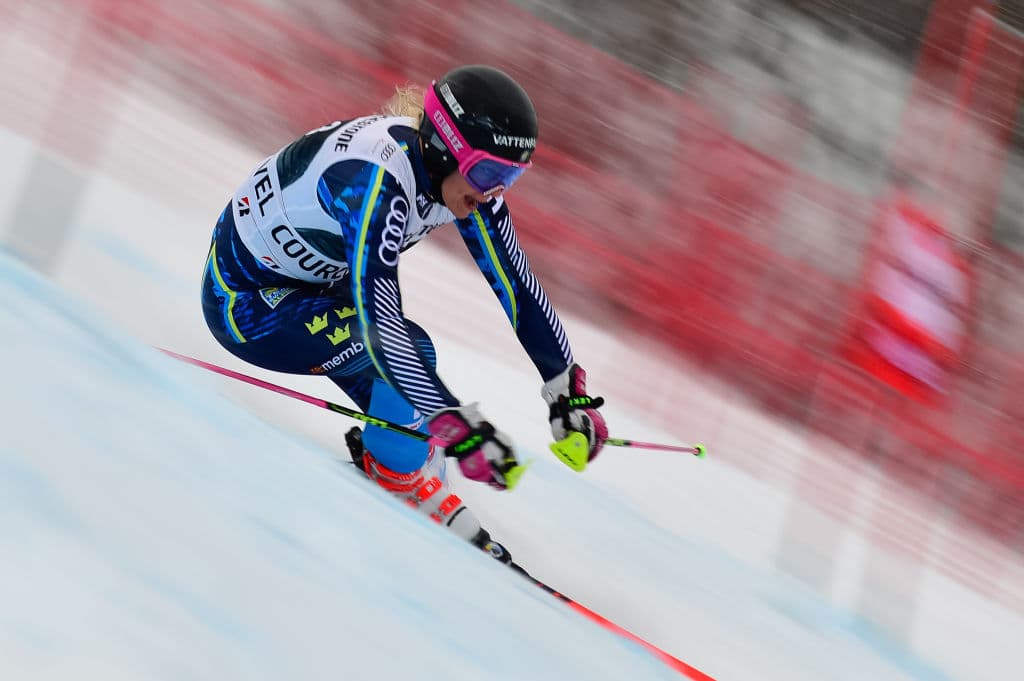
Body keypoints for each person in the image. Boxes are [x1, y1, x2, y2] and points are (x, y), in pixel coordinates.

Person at [201, 64, 608, 562]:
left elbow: (516, 286)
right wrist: (458, 428)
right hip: (247, 303)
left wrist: (566, 392)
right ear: (444, 147)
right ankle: (396, 474)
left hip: (313, 289)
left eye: (509, 178)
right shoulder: (374, 183)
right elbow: (380, 323)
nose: (492, 191)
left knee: (415, 370)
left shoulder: (456, 182)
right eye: (487, 173)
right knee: (408, 354)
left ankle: (401, 461)